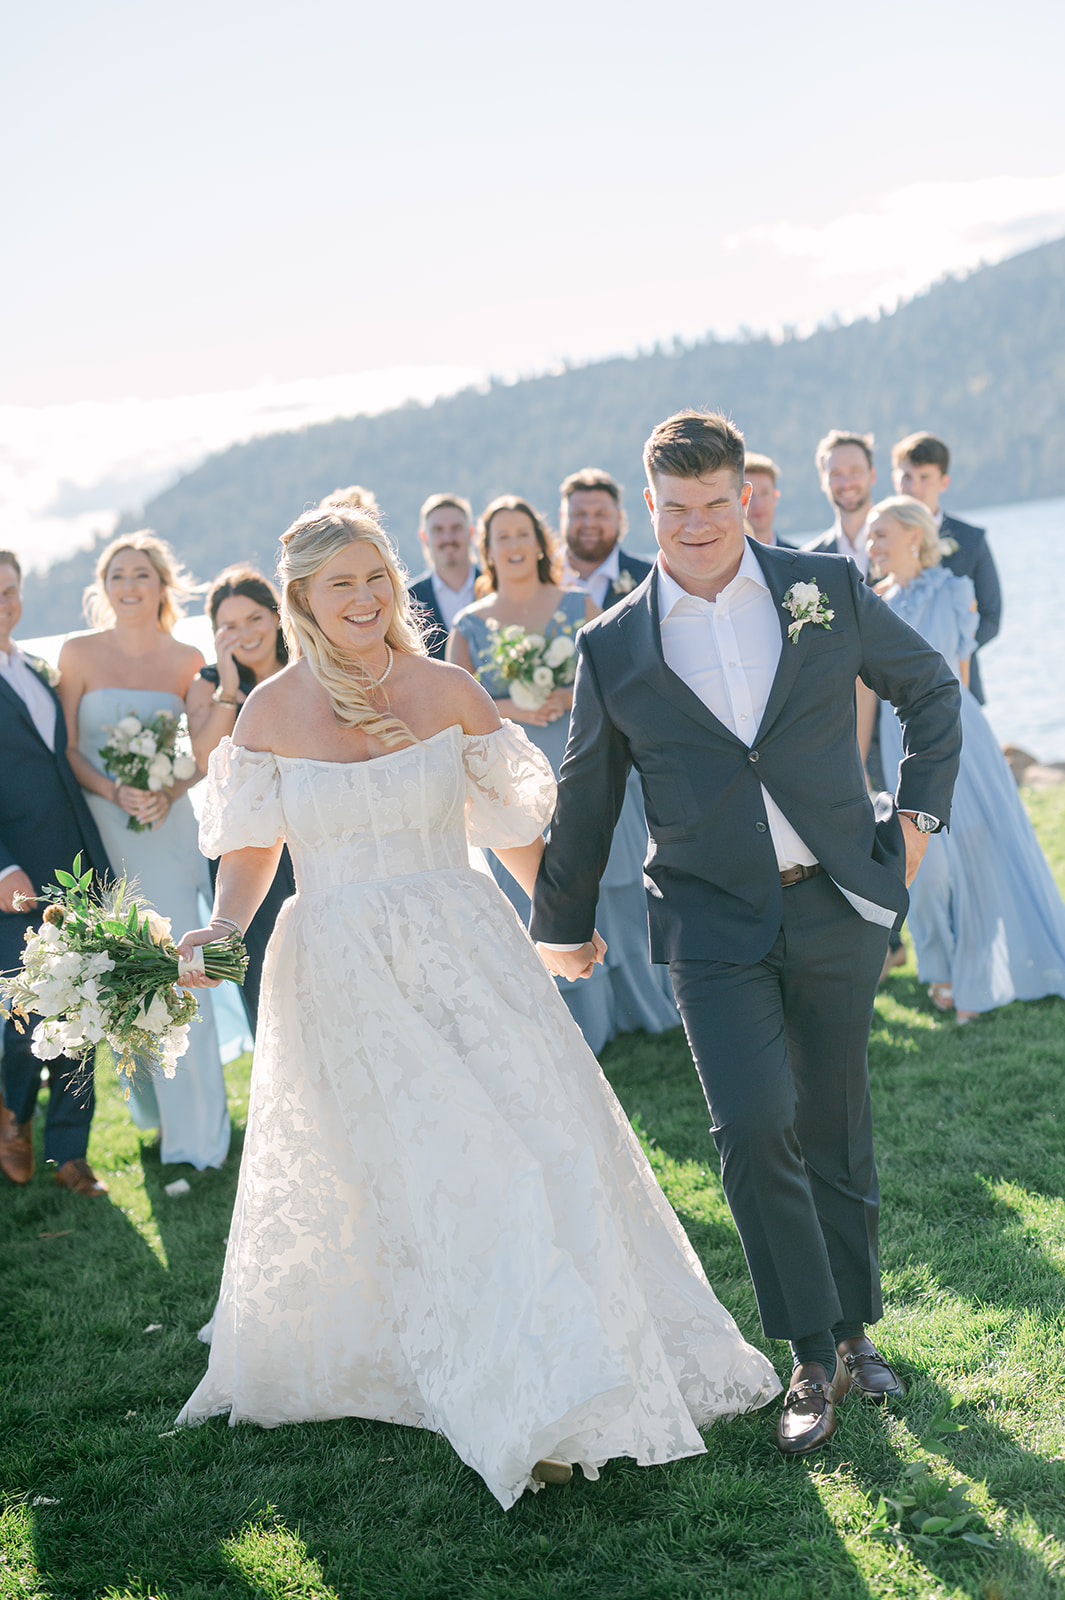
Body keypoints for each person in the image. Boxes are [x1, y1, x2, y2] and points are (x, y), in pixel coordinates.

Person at [171, 506, 780, 1509]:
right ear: (304, 602)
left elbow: (510, 829)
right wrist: (217, 927)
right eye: (341, 585)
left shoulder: (448, 687)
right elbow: (251, 855)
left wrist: (565, 922)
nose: (366, 598)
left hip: (465, 949)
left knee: (539, 1144)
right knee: (433, 1170)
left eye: (376, 576)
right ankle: (508, 1388)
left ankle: (564, 1367)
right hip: (339, 970)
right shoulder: (270, 711)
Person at [530, 411, 962, 1456]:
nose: (699, 526)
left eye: (717, 504)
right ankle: (809, 1355)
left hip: (835, 901)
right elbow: (588, 793)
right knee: (753, 1122)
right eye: (677, 510)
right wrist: (563, 926)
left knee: (834, 1123)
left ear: (744, 498)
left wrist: (912, 824)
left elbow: (931, 688)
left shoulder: (824, 588)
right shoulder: (615, 643)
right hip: (710, 921)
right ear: (652, 507)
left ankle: (858, 1335)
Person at [448, 498, 678, 1051]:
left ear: (540, 541)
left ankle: (649, 1006)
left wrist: (568, 695)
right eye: (501, 536)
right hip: (517, 769)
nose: (514, 545)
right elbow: (451, 713)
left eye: (523, 533)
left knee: (619, 879)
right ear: (488, 548)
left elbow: (619, 680)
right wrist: (513, 707)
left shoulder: (579, 603)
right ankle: (577, 1018)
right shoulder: (470, 625)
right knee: (540, 881)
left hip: (589, 754)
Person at [56, 533, 229, 1171]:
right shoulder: (76, 654)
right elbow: (67, 748)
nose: (129, 587)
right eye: (117, 576)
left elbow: (204, 748)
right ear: (104, 589)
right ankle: (156, 1116)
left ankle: (203, 1138)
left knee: (187, 976)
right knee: (127, 981)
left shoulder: (187, 659)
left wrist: (169, 789)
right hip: (101, 829)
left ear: (162, 585)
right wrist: (115, 790)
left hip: (167, 827)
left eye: (142, 575)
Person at [862, 496, 1065, 1022]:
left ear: (913, 535)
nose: (871, 545)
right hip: (901, 740)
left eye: (881, 534)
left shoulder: (956, 590)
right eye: (869, 536)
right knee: (923, 867)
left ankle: (975, 976)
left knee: (976, 853)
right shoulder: (871, 605)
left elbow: (961, 677)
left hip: (958, 734)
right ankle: (941, 968)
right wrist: (859, 757)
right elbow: (865, 693)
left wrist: (970, 745)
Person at [0, 551, 113, 1197]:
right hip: (15, 878)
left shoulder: (36, 671)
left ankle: (70, 1152)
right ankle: (13, 1117)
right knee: (24, 1017)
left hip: (76, 865)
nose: (5, 603)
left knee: (85, 1007)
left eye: (11, 590)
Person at [186, 565, 297, 1031]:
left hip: (314, 831)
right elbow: (203, 759)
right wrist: (229, 690)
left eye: (253, 619)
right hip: (246, 845)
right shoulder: (208, 684)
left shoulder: (308, 668)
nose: (245, 633)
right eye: (229, 627)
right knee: (263, 972)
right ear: (215, 635)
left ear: (276, 617)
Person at [891, 433, 1002, 705]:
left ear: (944, 482)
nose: (913, 487)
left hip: (961, 683)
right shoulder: (881, 539)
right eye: (906, 477)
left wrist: (954, 649)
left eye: (924, 477)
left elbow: (991, 616)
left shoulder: (971, 540)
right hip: (898, 690)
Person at [558, 468, 653, 608]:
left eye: (601, 514)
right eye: (579, 513)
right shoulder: (536, 575)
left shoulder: (649, 578)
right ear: (562, 517)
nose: (589, 524)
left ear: (619, 517)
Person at [406, 494, 479, 659]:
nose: (448, 538)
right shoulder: (408, 600)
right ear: (424, 537)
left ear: (471, 532)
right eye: (438, 530)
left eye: (456, 528)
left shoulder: (497, 588)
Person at [804, 431, 877, 576]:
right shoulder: (808, 558)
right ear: (822, 481)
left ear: (872, 475)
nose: (846, 483)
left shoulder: (902, 545)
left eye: (855, 472)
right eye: (836, 474)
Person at [743, 454, 781, 547]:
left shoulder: (799, 557)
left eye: (764, 493)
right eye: (750, 495)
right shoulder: (724, 560)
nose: (758, 504)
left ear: (775, 497)